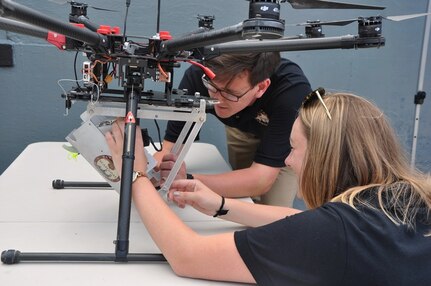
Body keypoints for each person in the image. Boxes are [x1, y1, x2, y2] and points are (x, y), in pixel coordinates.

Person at [106, 90, 431, 285]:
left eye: (293, 148)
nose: (288, 161)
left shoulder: (333, 234)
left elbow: (188, 256)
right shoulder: (408, 197)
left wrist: (135, 177)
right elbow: (297, 221)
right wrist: (221, 204)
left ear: (322, 158)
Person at [154, 52, 312, 207]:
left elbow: (261, 180)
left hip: (286, 139)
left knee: (274, 208)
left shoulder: (291, 93)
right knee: (240, 197)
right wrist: (152, 171)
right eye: (213, 87)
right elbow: (170, 148)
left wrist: (187, 180)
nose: (218, 99)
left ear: (261, 87)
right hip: (243, 128)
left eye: (231, 94)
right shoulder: (200, 75)